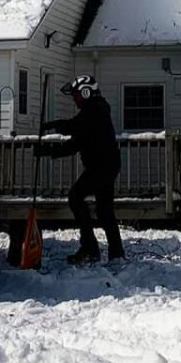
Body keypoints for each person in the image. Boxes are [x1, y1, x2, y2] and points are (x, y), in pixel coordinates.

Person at [41, 75, 123, 265]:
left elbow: (75, 135)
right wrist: (54, 128)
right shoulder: (95, 110)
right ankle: (115, 253)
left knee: (76, 198)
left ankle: (90, 247)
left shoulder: (94, 111)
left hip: (101, 166)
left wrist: (50, 146)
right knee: (104, 210)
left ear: (86, 92)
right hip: (107, 164)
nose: (75, 99)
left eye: (76, 95)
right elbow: (76, 132)